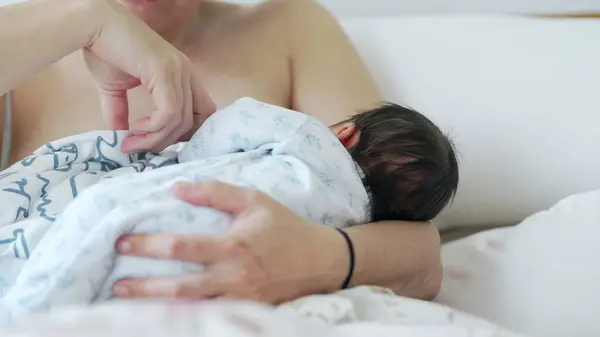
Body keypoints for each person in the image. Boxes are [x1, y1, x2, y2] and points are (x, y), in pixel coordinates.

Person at [0, 0, 443, 303]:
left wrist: (319, 260)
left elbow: (419, 251)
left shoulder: (287, 28)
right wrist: (86, 19)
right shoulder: (29, 42)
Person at [0, 97, 457, 320]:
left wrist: (196, 154)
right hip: (193, 280)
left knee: (88, 226)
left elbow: (230, 126)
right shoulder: (353, 217)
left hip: (165, 215)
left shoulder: (306, 137)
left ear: (343, 132)